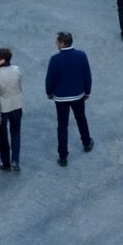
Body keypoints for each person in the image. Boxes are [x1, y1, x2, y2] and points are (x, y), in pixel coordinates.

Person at [45, 32, 93, 167]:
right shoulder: (81, 55)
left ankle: (63, 156)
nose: (56, 44)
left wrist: (49, 93)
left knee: (62, 126)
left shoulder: (55, 59)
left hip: (60, 98)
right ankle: (86, 142)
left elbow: (50, 79)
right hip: (78, 95)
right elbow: (87, 75)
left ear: (62, 43)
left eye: (57, 42)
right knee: (81, 118)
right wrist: (87, 92)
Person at [0, 48, 23, 173]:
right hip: (17, 105)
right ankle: (15, 160)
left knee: (3, 136)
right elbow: (19, 87)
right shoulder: (17, 70)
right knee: (16, 133)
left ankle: (6, 162)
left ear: (2, 59)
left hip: (2, 110)